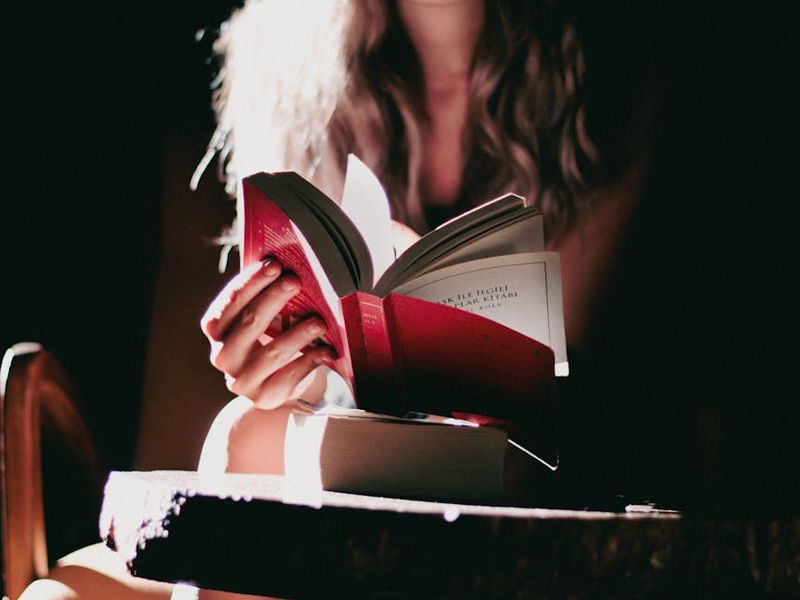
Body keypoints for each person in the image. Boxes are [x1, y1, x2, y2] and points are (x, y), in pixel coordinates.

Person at [20, 1, 646, 598]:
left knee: (261, 447)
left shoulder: (603, 83)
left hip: (515, 485)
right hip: (330, 466)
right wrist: (283, 365)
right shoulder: (287, 68)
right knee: (248, 430)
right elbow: (308, 371)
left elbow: (567, 382)